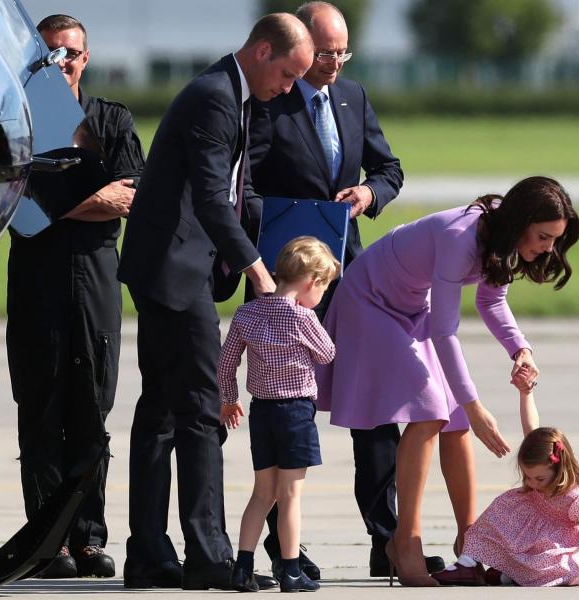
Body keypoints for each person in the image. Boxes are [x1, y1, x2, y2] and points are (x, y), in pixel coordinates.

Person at [116, 14, 313, 591]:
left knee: (159, 411)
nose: (289, 86)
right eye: (287, 73)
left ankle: (149, 555)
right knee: (202, 408)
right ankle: (207, 556)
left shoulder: (237, 93)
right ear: (260, 51)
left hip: (171, 264)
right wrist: (256, 269)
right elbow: (208, 194)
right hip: (175, 268)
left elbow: (238, 188)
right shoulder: (214, 97)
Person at [315, 175, 579, 586]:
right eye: (544, 237)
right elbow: (444, 331)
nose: (548, 248)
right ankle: (406, 540)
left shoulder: (502, 238)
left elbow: (492, 300)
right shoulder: (462, 237)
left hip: (410, 308)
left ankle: (471, 543)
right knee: (431, 412)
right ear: (522, 221)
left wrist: (520, 350)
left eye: (554, 241)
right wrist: (474, 404)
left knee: (453, 418)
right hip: (369, 301)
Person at [246, 1, 414, 579]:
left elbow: (390, 169)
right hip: (284, 283)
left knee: (374, 412)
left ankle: (386, 542)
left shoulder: (354, 97)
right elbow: (242, 189)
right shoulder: (268, 99)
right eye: (324, 54)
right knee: (285, 409)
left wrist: (370, 195)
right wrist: (288, 223)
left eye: (343, 53)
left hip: (350, 277)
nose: (334, 64)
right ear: (298, 47)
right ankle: (283, 550)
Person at [5, 13, 144, 580]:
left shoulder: (111, 119)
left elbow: (131, 194)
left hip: (95, 277)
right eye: (51, 53)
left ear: (86, 58)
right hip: (35, 279)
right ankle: (47, 543)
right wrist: (86, 198)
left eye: (71, 52)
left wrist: (53, 206)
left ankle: (87, 539)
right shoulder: (13, 126)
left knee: (93, 407)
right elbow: (17, 212)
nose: (63, 61)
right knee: (40, 408)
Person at [217, 236, 339, 593]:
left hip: (262, 412)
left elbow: (226, 363)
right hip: (296, 412)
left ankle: (242, 567)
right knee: (290, 495)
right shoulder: (303, 317)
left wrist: (229, 398)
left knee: (262, 494)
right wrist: (310, 321)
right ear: (311, 282)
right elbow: (327, 354)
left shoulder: (247, 312)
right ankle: (290, 569)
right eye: (324, 287)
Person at [432, 426, 579, 587]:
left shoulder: (574, 496)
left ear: (560, 467)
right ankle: (467, 564)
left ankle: (508, 575)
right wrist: (525, 395)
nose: (533, 483)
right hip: (527, 522)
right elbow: (529, 423)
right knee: (496, 515)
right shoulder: (532, 485)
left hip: (553, 544)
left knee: (554, 566)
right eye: (528, 477)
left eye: (539, 478)